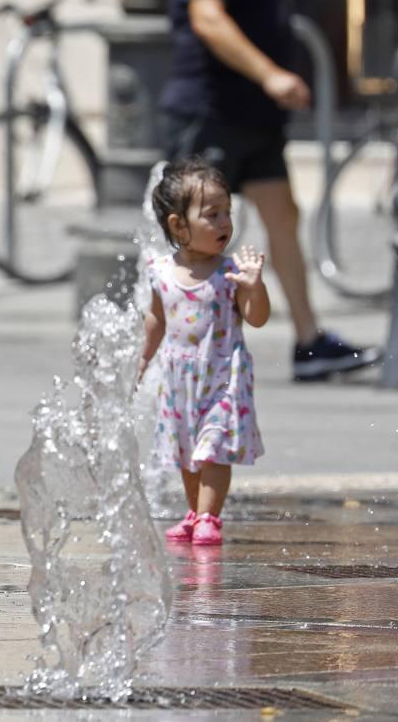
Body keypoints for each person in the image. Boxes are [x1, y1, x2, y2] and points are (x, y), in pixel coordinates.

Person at [159, 0, 378, 382]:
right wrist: (272, 74)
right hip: (211, 110)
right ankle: (172, 343)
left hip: (252, 115)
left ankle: (309, 343)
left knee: (283, 215)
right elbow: (208, 18)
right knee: (194, 230)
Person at [136, 158, 270, 546]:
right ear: (179, 225)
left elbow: (256, 318)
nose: (225, 223)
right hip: (179, 380)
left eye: (228, 211)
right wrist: (143, 360)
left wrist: (255, 287)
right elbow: (156, 320)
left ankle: (211, 516)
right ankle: (194, 510)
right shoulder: (160, 272)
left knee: (213, 448)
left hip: (223, 379)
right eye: (212, 214)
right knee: (187, 451)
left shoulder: (230, 274)